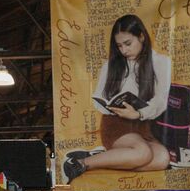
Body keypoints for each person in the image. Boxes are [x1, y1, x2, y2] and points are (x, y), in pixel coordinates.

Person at [63, 14, 172, 181]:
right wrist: (112, 108)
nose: (124, 50)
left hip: (143, 125)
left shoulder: (161, 62)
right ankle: (81, 163)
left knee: (162, 159)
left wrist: (138, 114)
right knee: (142, 153)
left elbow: (161, 100)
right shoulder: (110, 65)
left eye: (128, 44)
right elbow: (98, 97)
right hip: (116, 125)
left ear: (141, 37)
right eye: (119, 46)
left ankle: (103, 157)